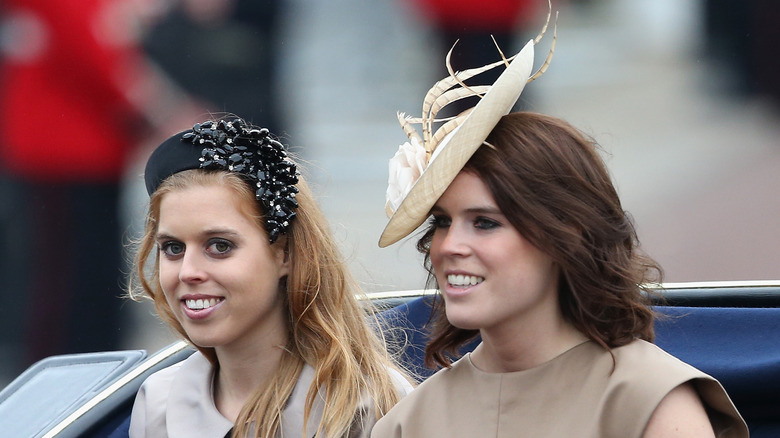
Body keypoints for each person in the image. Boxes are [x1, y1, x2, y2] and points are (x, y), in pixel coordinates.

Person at [371, 14, 748, 438]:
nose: (449, 246)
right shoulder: (409, 421)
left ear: (561, 237)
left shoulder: (650, 402)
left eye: (484, 222)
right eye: (441, 222)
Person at [128, 116, 412, 437]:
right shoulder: (159, 404)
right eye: (173, 248)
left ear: (285, 254)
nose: (188, 272)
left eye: (220, 246)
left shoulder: (365, 403)